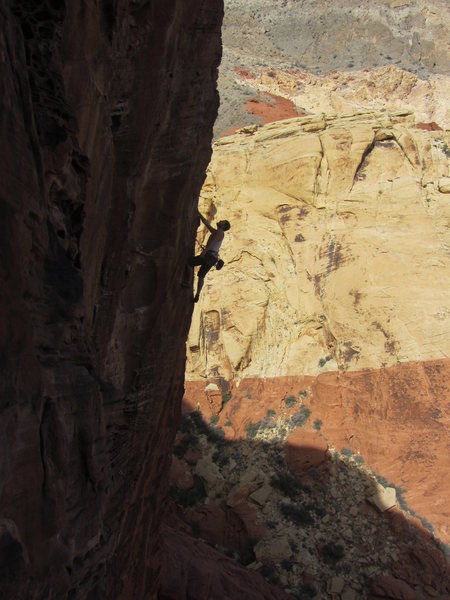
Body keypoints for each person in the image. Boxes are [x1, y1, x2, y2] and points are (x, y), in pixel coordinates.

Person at [189, 211, 230, 302]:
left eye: (222, 222)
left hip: (209, 256)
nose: (220, 221)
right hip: (212, 258)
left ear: (223, 226)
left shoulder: (219, 232)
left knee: (189, 263)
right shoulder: (217, 232)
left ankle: (186, 281)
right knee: (201, 275)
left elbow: (212, 243)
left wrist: (204, 252)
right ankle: (197, 294)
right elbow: (207, 224)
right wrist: (198, 213)